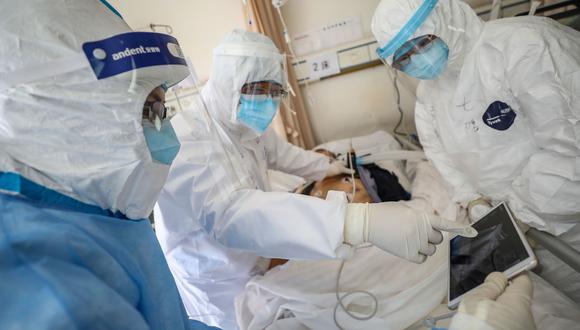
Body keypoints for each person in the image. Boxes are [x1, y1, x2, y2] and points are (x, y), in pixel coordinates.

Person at [155, 29, 469, 329]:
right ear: (229, 83)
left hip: (263, 265)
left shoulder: (241, 124)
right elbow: (233, 215)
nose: (268, 100)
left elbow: (283, 155)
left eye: (274, 90)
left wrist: (325, 168)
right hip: (217, 282)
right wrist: (356, 222)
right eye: (259, 89)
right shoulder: (189, 141)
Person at [0, 1, 214, 329]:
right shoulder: (41, 279)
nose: (167, 135)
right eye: (149, 111)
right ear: (53, 113)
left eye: (162, 110)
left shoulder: (101, 214)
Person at [372, 0, 580, 302]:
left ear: (445, 17)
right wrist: (476, 202)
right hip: (526, 238)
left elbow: (571, 149)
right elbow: (445, 161)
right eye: (404, 57)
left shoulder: (522, 46)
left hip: (567, 222)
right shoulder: (429, 98)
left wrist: (519, 212)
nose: (417, 58)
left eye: (422, 42)